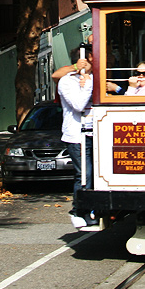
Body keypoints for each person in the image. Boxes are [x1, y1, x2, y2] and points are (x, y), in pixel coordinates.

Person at [58, 43, 98, 230]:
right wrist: (88, 82)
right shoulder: (66, 82)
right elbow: (79, 105)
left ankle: (93, 209)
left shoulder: (93, 79)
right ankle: (78, 210)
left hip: (95, 132)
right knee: (84, 174)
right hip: (77, 136)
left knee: (96, 175)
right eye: (91, 59)